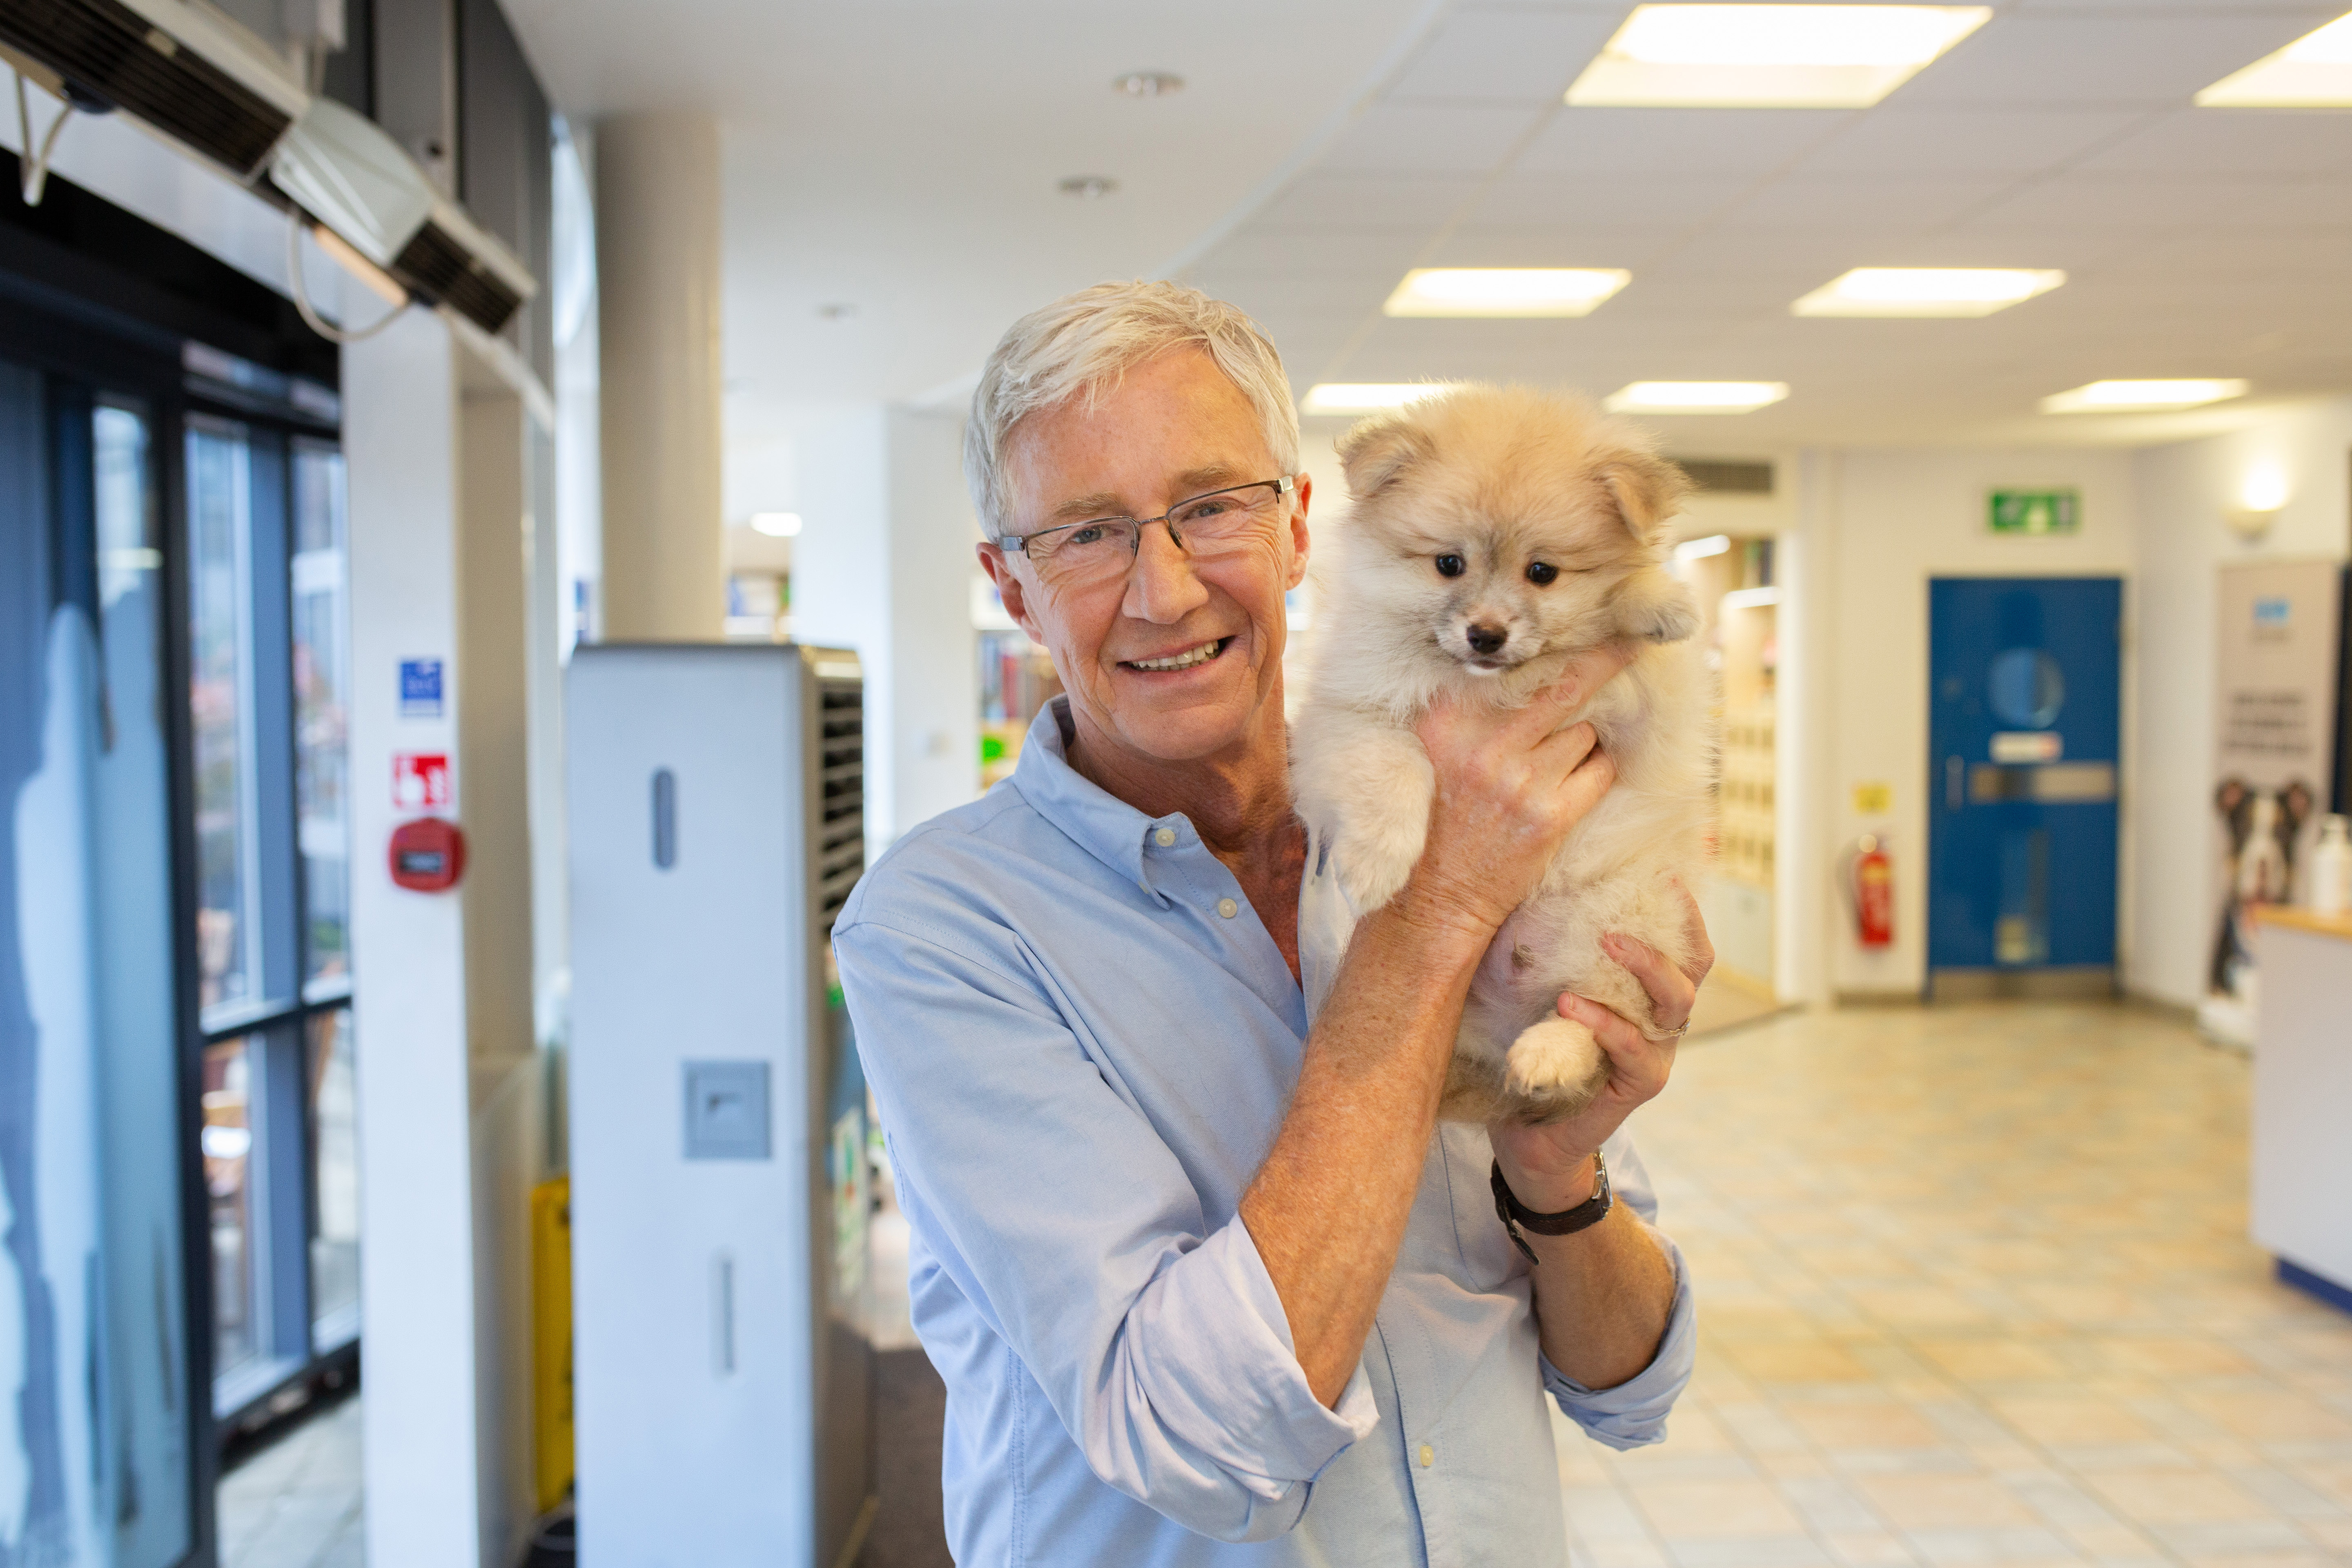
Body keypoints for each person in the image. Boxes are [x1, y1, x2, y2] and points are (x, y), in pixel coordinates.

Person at [833, 280, 1707, 1565]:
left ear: (1299, 527)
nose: (1166, 589)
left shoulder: (1463, 801)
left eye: (1209, 508)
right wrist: (1442, 916)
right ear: (1010, 590)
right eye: (1084, 533)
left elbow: (1629, 1387)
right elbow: (1192, 1438)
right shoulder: (942, 934)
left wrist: (1555, 1175)